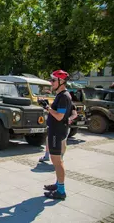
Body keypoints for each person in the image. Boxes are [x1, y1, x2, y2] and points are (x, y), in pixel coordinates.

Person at [42, 70, 73, 200]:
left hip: (57, 132)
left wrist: (48, 108)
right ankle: (57, 184)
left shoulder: (64, 96)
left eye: (53, 80)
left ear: (61, 82)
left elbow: (59, 116)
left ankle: (61, 190)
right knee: (57, 161)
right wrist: (47, 106)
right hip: (56, 131)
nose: (51, 82)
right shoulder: (61, 95)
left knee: (57, 161)